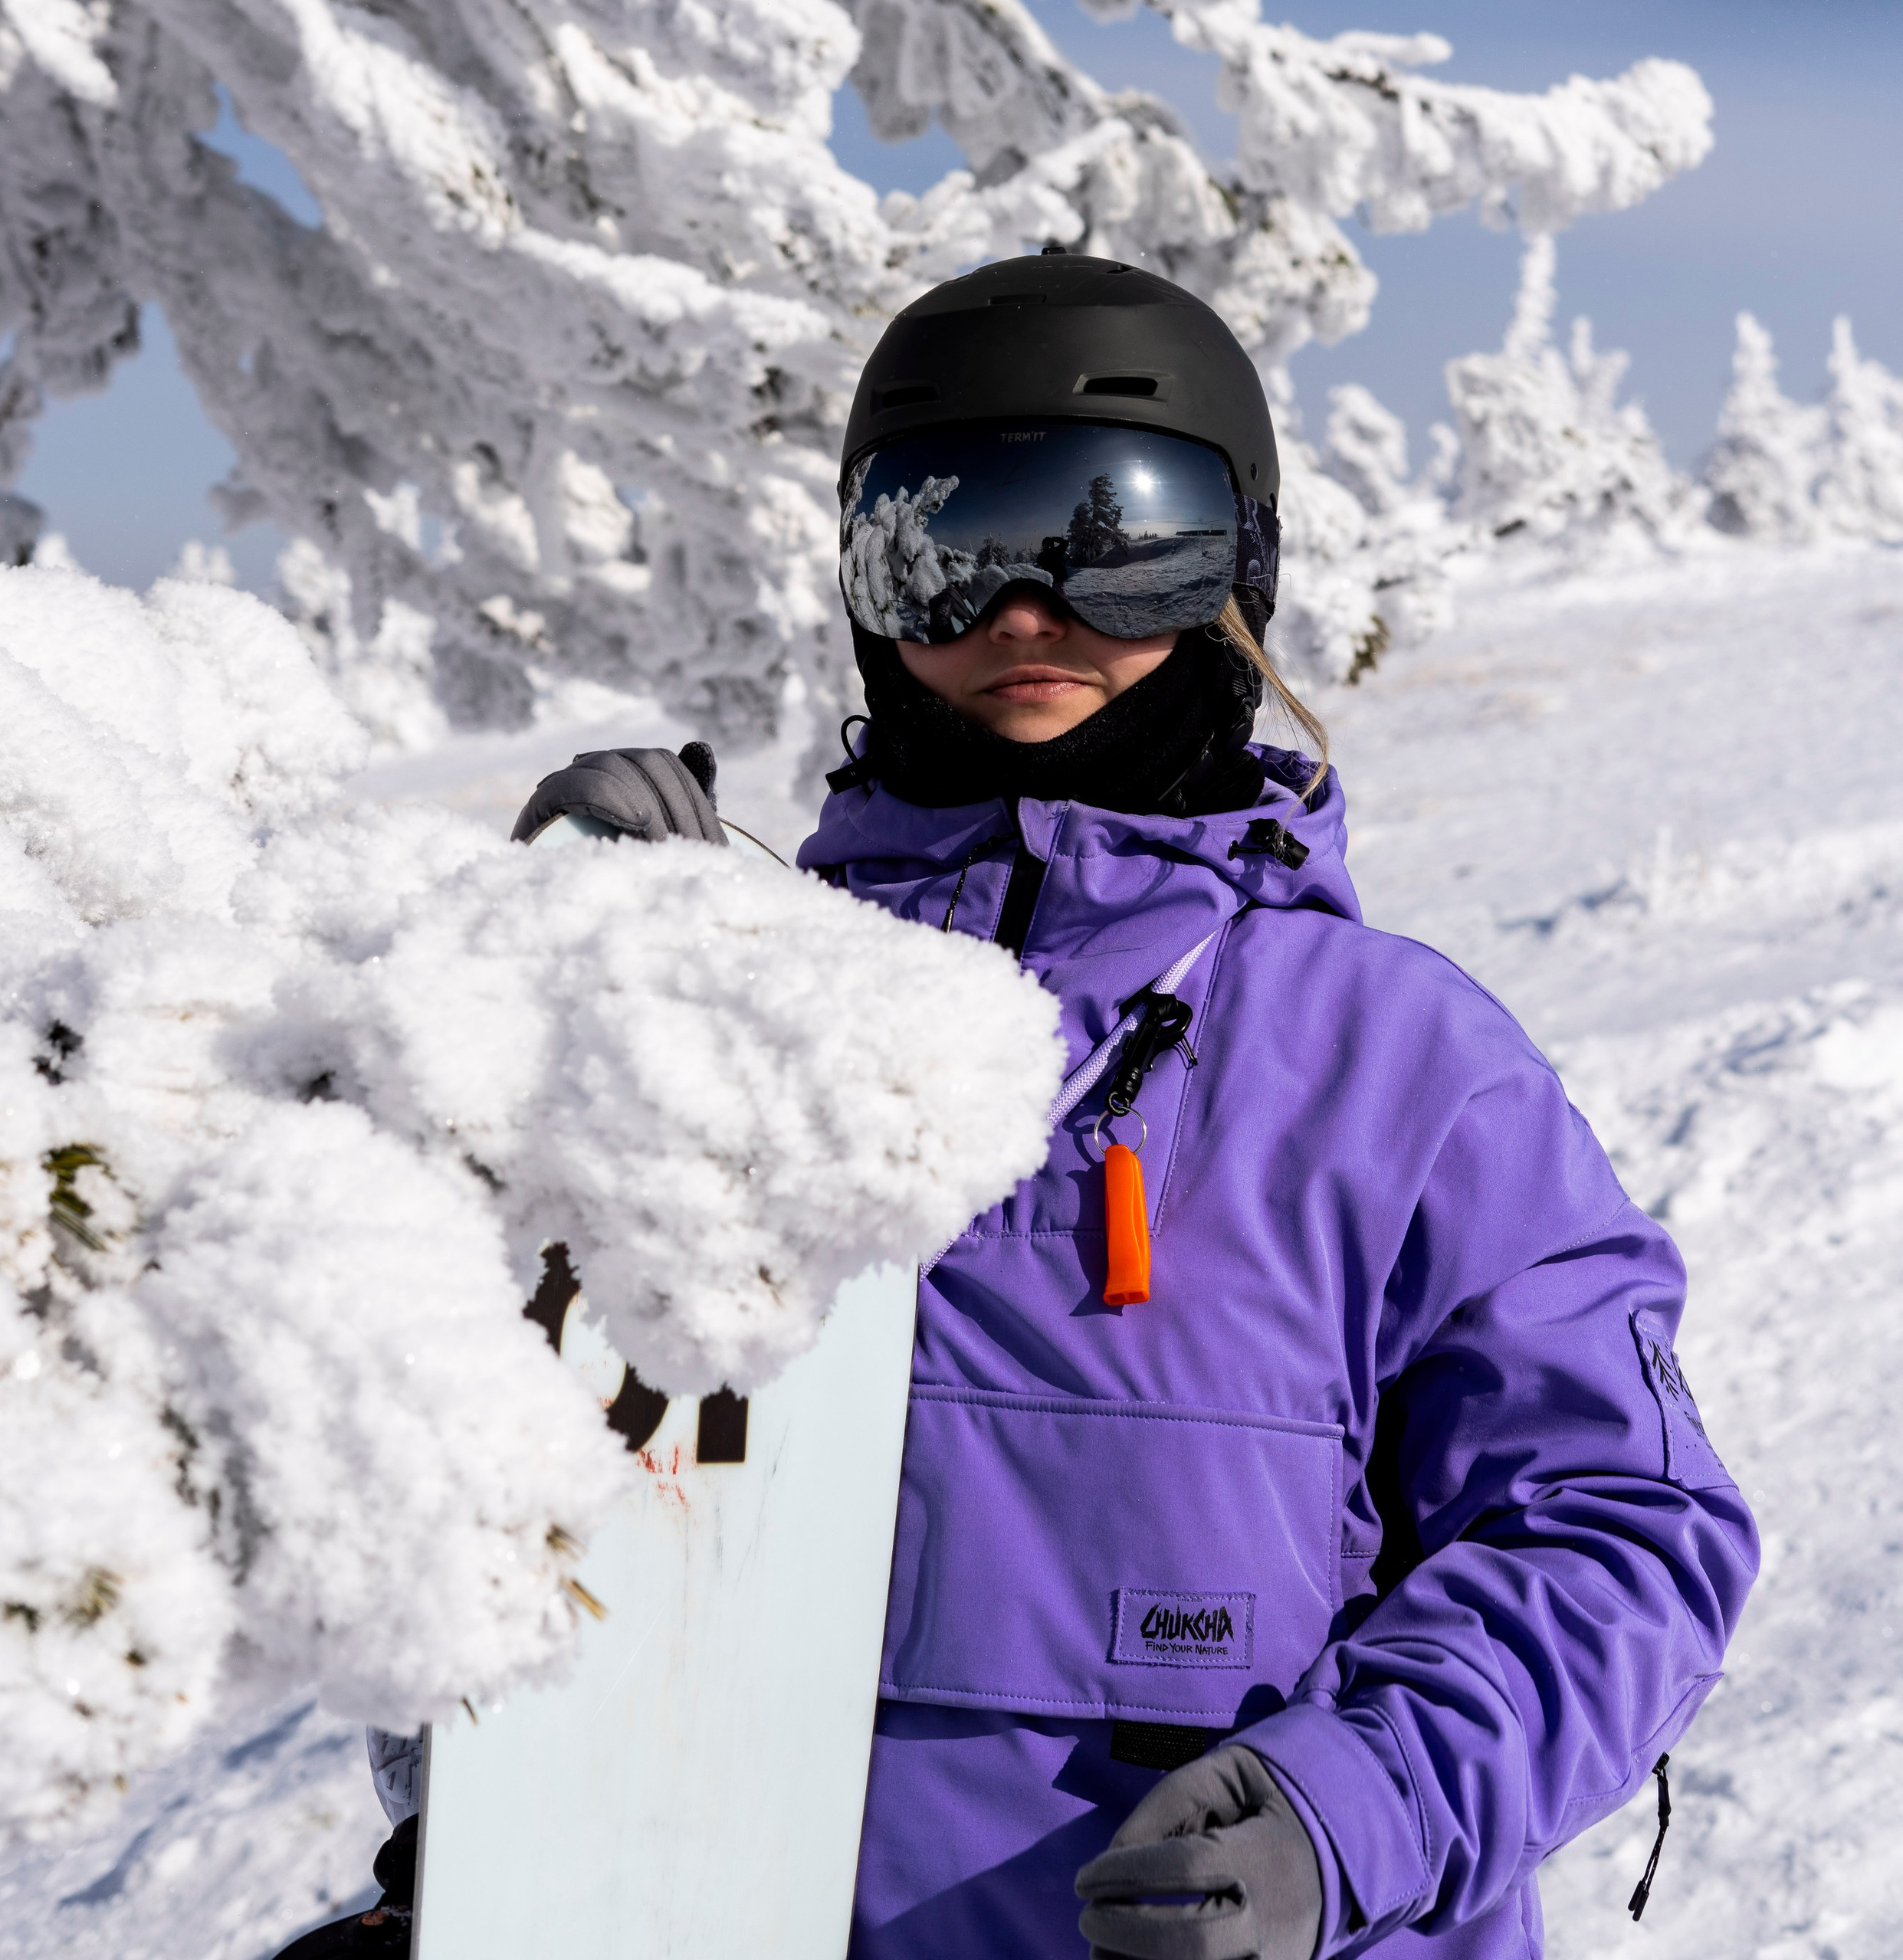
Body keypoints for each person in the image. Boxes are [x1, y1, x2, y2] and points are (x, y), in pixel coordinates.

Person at [513, 249, 1760, 1959]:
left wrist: (1352, 1812)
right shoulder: (728, 1005)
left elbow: (1624, 1526)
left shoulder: (1395, 1061)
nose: (1025, 612)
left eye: (1117, 541)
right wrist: (537, 984)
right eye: (947, 543)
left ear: (1238, 568)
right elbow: (490, 1464)